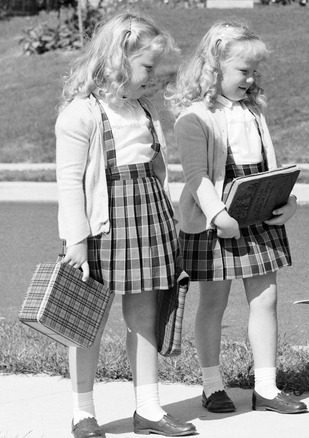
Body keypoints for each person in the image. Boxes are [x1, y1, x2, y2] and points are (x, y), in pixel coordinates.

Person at [56, 12, 196, 438]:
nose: (153, 77)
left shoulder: (143, 110)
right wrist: (75, 241)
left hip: (146, 213)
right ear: (119, 59)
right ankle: (83, 411)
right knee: (86, 318)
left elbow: (158, 170)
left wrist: (169, 218)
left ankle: (148, 408)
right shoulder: (80, 114)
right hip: (101, 223)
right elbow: (70, 184)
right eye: (147, 67)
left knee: (145, 313)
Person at [166, 20, 305, 415]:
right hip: (216, 220)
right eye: (244, 71)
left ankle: (266, 386)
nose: (251, 79)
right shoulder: (195, 117)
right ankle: (212, 385)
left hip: (258, 214)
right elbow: (197, 178)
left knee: (267, 298)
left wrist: (288, 201)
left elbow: (268, 168)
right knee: (214, 302)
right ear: (214, 67)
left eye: (254, 72)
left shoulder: (254, 112)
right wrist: (218, 215)